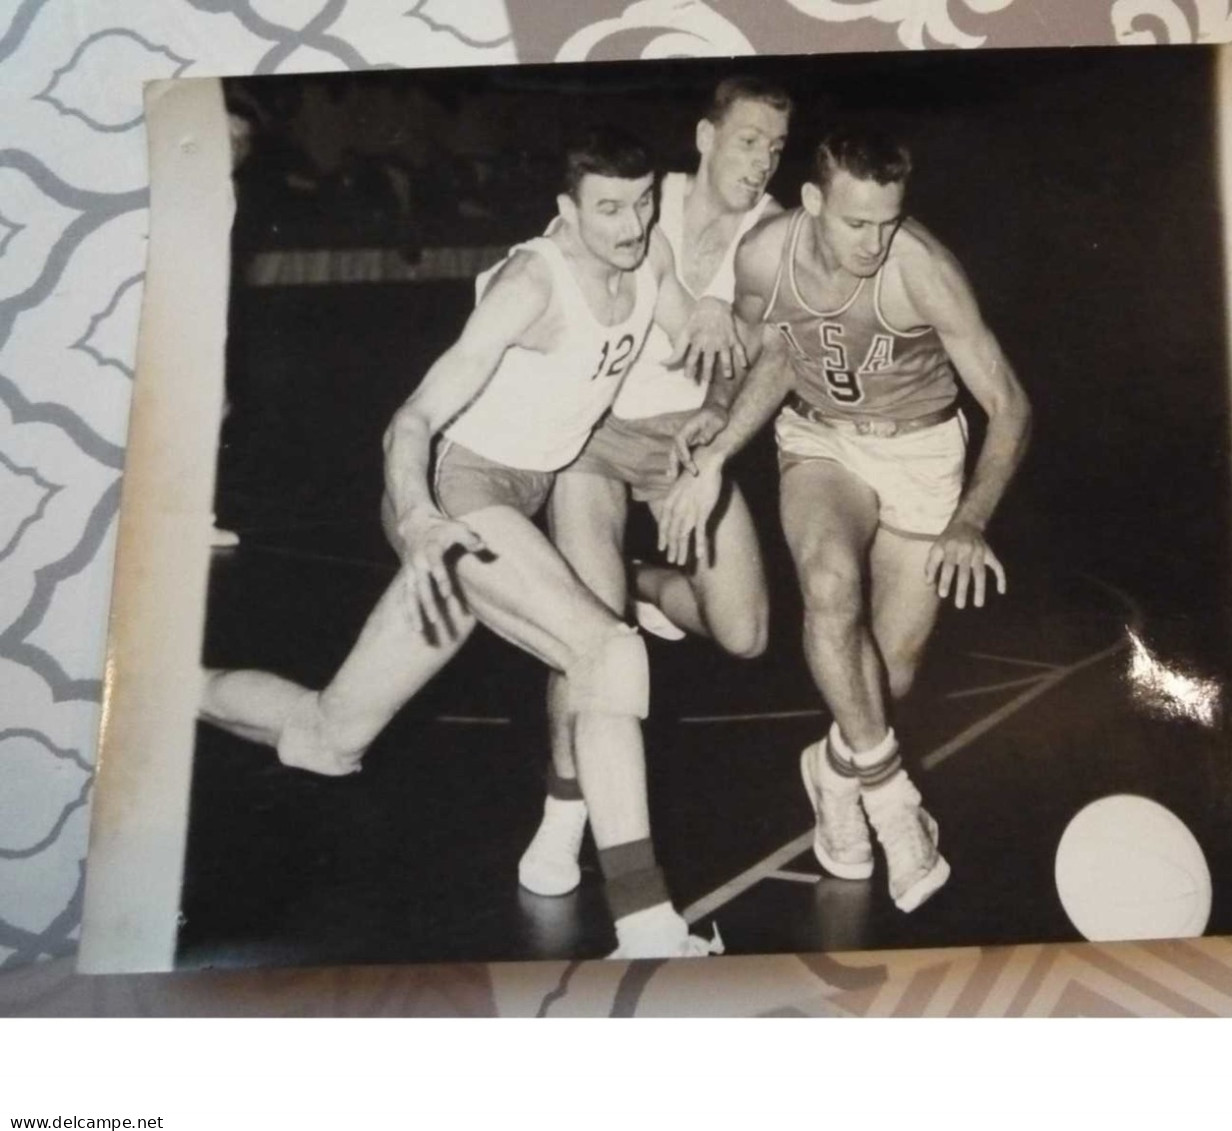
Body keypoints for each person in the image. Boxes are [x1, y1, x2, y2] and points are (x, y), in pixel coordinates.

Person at [199, 127, 722, 959]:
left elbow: (695, 319)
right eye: (610, 209)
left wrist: (716, 342)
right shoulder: (531, 286)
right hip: (461, 495)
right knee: (609, 654)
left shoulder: (645, 253)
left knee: (328, 738)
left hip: (524, 495)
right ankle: (646, 923)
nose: (630, 223)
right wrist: (419, 521)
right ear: (566, 211)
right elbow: (410, 421)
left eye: (643, 203)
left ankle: (157, 689)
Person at [657, 129, 1032, 913]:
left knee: (881, 681)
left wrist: (971, 519)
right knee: (829, 584)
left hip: (923, 454)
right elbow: (764, 344)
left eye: (888, 221)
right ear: (815, 201)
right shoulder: (767, 253)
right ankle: (895, 805)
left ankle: (835, 769)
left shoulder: (919, 270)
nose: (874, 240)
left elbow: (1010, 405)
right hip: (822, 442)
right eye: (857, 223)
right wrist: (718, 420)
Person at [516, 76, 791, 898]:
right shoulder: (640, 198)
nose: (762, 160)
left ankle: (642, 585)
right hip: (594, 440)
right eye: (748, 140)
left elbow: (756, 361)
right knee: (586, 638)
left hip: (684, 442)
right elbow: (555, 273)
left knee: (742, 632)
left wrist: (709, 439)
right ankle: (563, 812)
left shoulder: (772, 231)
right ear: (704, 138)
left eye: (776, 147)